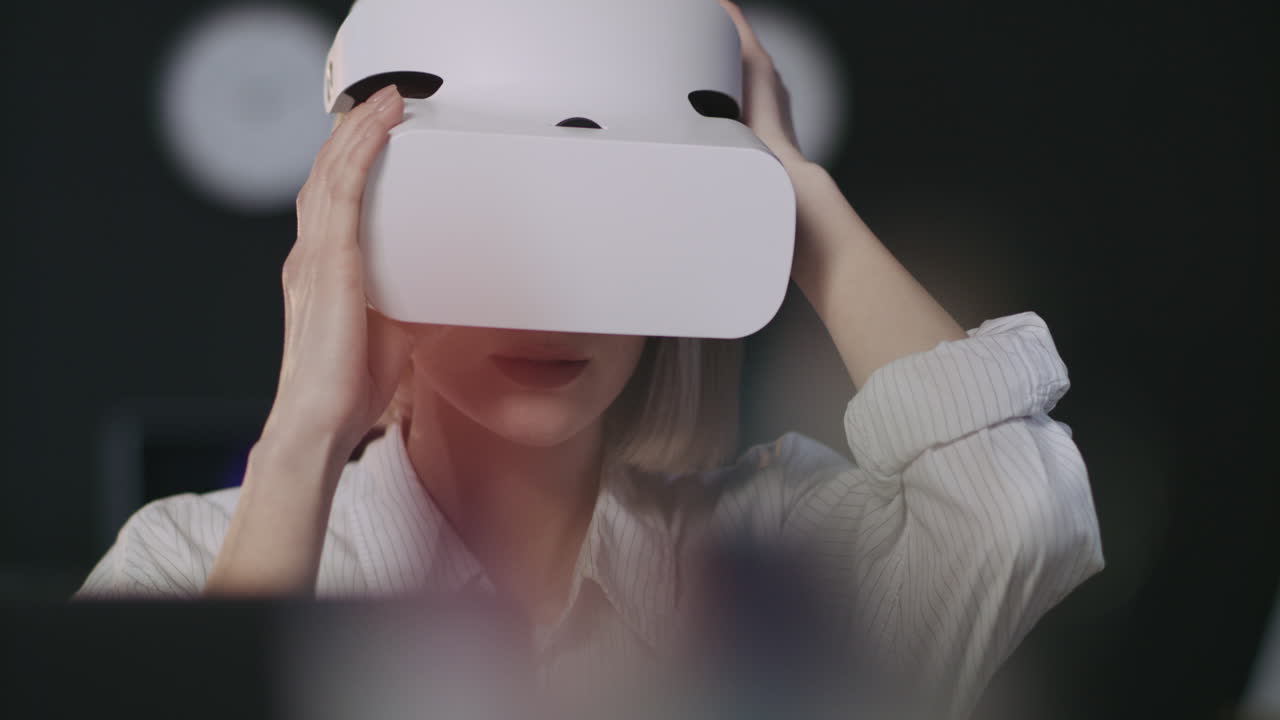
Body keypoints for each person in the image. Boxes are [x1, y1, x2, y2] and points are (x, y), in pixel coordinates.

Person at [74, 2, 1103, 717]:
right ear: (368, 229)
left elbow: (1013, 511)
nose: (546, 297)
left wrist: (782, 182)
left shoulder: (772, 555)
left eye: (614, 217)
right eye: (490, 223)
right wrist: (304, 429)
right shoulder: (185, 563)